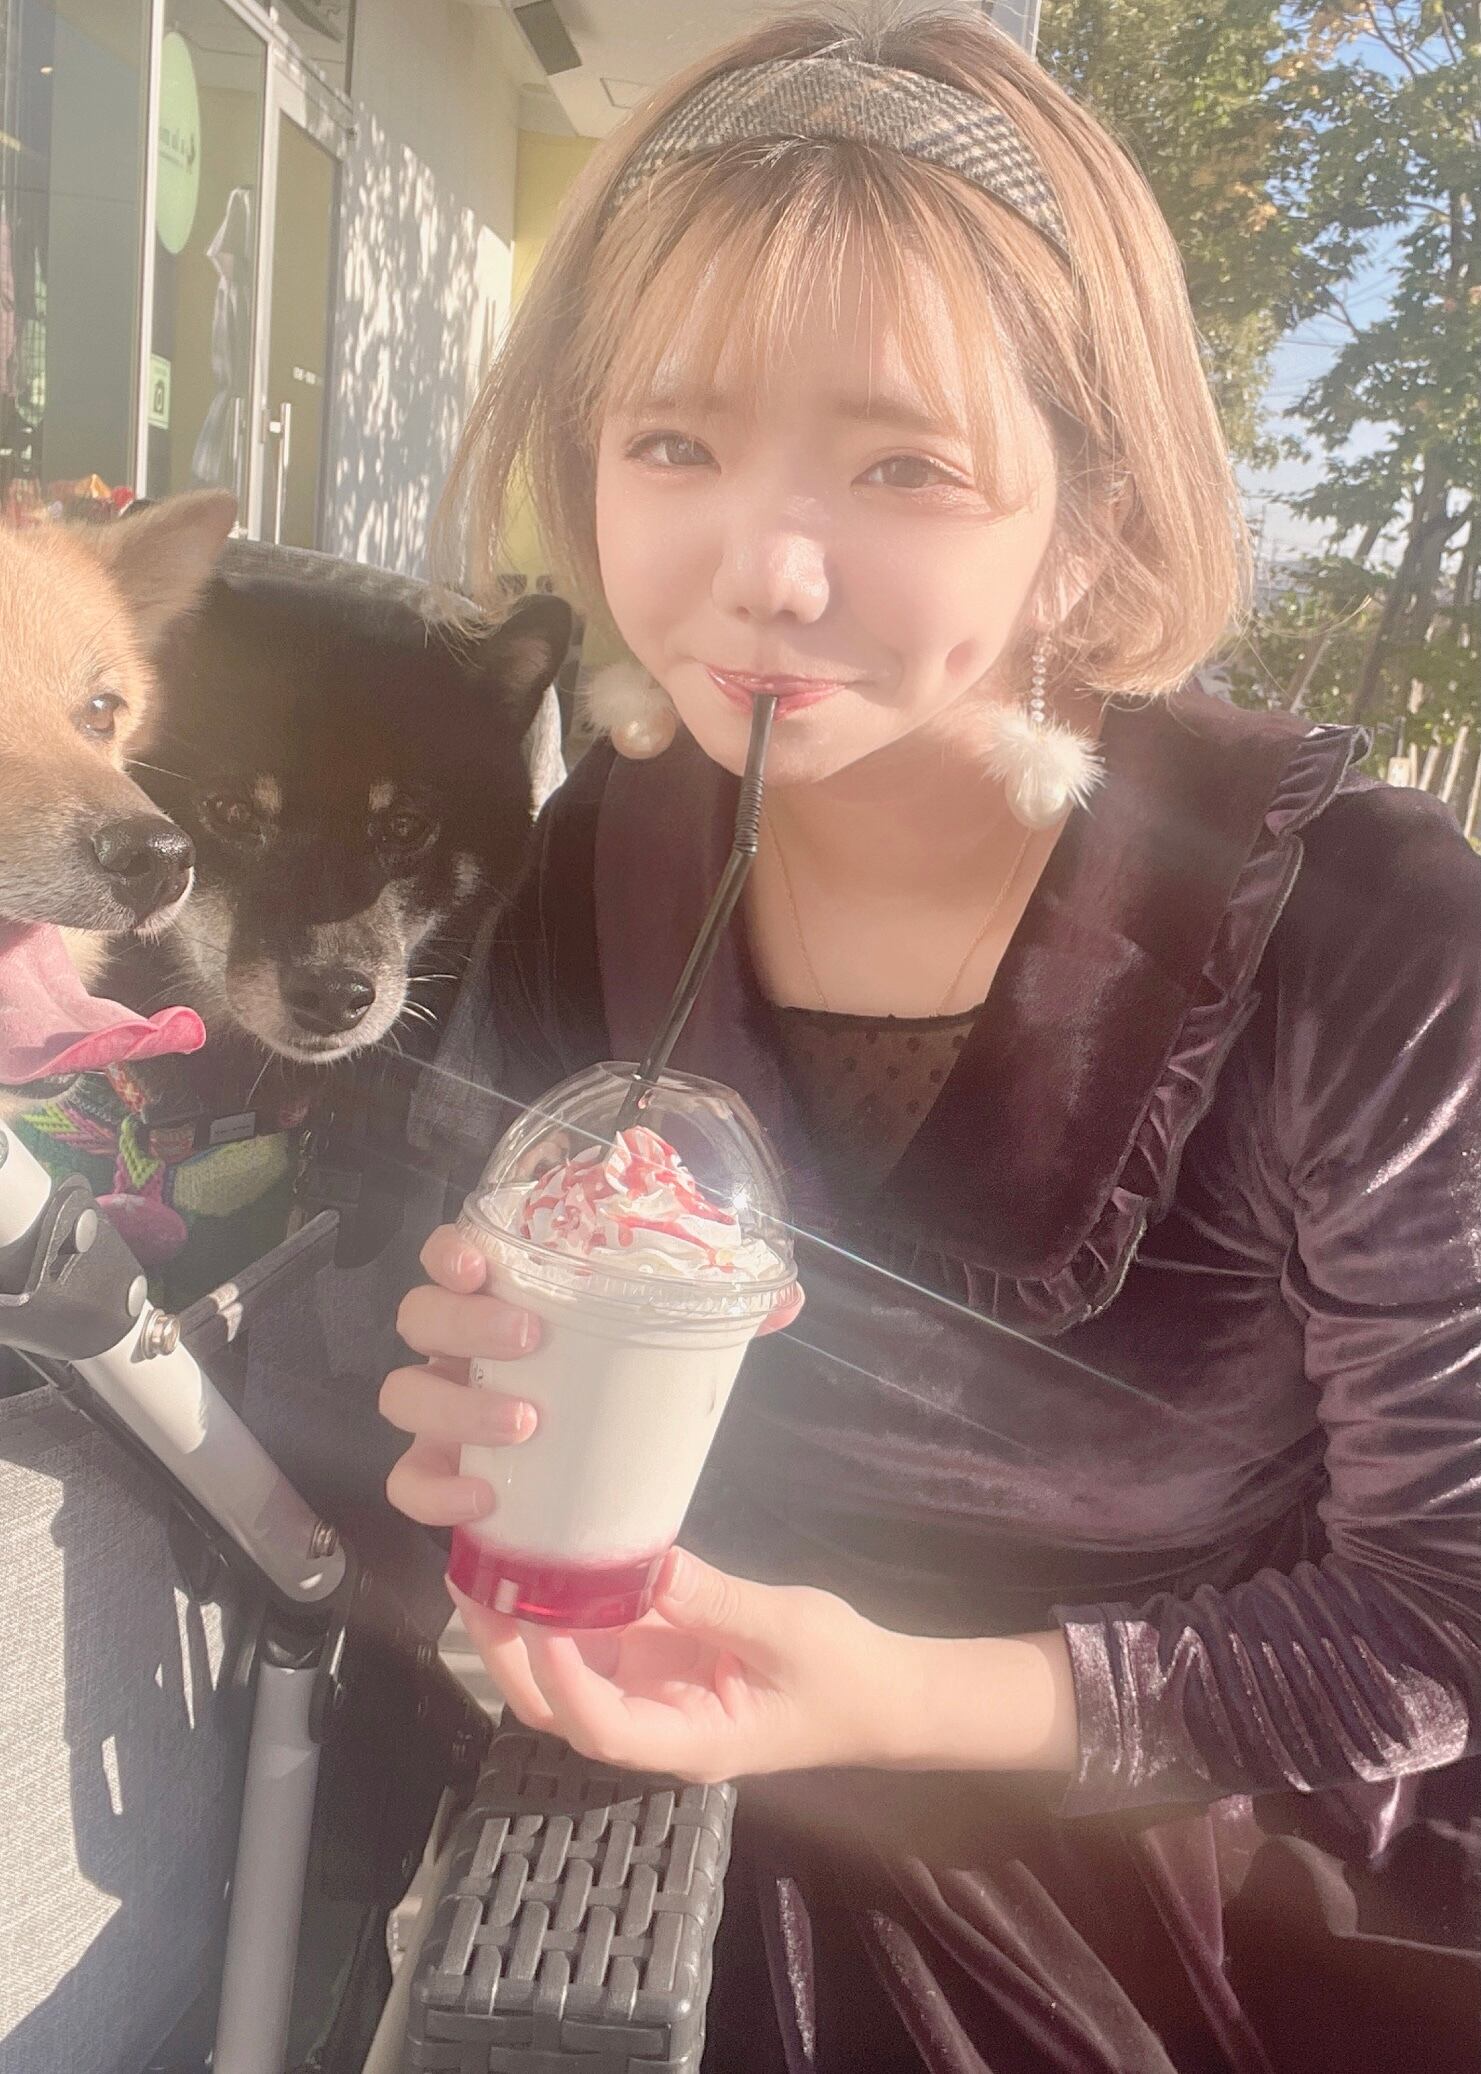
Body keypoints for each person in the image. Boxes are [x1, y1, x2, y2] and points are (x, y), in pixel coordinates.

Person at [378, 10, 1481, 2070]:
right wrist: (464, 1403)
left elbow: (1440, 1620)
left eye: (902, 467)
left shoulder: (1353, 926)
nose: (761, 572)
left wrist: (891, 1695)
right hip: (634, 1784)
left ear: (1092, 512)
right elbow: (465, 1352)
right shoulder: (606, 849)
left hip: (1159, 1847)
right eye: (672, 443)